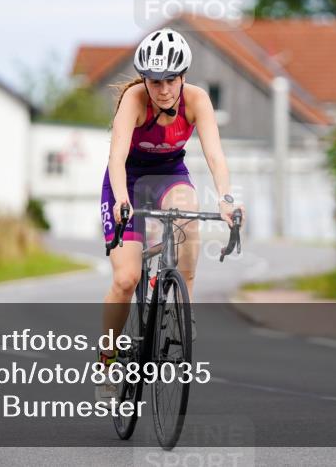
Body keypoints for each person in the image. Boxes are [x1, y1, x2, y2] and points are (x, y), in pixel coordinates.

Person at [96, 28, 245, 401]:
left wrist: (226, 199)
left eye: (170, 80)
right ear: (144, 80)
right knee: (126, 279)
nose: (163, 90)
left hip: (169, 176)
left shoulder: (197, 100)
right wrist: (120, 199)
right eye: (154, 81)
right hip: (128, 181)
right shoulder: (134, 100)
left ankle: (181, 311)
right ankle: (107, 359)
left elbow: (215, 155)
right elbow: (116, 158)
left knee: (188, 214)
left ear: (183, 76)